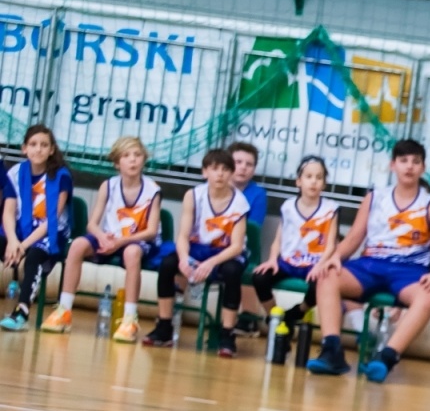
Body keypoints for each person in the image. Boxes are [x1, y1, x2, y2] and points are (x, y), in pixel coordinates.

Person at [306, 139, 430, 383]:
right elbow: (352, 239)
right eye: (403, 161)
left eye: (415, 162)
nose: (409, 167)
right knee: (327, 276)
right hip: (371, 264)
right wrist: (332, 259)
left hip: (409, 270)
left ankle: (387, 357)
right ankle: (332, 353)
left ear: (423, 168)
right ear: (393, 165)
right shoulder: (374, 198)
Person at [42, 136, 161, 342]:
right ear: (117, 163)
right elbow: (92, 224)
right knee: (78, 245)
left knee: (132, 253)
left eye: (137, 155)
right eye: (126, 156)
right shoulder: (109, 186)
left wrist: (120, 242)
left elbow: (151, 231)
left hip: (136, 241)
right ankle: (64, 310)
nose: (132, 160)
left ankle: (129, 319)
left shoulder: (153, 189)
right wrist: (102, 237)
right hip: (108, 238)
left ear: (144, 160)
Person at [144, 148, 250, 355]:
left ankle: (227, 333)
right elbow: (183, 236)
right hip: (197, 247)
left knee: (232, 272)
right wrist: (184, 259)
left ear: (231, 173)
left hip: (226, 251)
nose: (220, 174)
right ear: (204, 172)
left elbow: (237, 246)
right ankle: (164, 326)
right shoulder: (193, 195)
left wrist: (211, 263)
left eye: (225, 169)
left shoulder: (240, 202)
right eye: (214, 169)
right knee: (168, 264)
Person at [251, 155, 339, 362]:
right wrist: (272, 259)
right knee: (260, 278)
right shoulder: (288, 206)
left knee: (322, 284)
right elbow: (279, 238)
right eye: (309, 176)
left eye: (319, 177)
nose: (314, 181)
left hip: (315, 263)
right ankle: (275, 316)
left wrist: (320, 265)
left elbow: (331, 244)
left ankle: (295, 314)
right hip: (289, 261)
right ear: (298, 181)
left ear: (324, 183)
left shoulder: (330, 209)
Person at [0, 126, 73, 331]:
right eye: (33, 144)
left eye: (43, 145)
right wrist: (13, 241)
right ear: (24, 149)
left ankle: (21, 311)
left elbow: (52, 220)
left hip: (51, 233)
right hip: (20, 232)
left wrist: (21, 246)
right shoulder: (15, 172)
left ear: (51, 150)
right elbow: (7, 212)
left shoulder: (61, 176)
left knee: (34, 255)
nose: (38, 149)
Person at [229, 141, 269, 335]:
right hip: (211, 241)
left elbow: (253, 227)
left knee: (247, 261)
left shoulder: (258, 194)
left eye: (249, 164)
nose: (243, 167)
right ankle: (176, 302)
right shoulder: (211, 187)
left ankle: (248, 317)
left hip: (242, 244)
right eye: (238, 162)